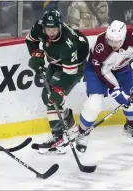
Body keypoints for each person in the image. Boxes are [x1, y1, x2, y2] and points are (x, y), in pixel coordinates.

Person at [75, 20, 133, 153]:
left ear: (124, 37)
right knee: (94, 103)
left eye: (117, 41)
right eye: (110, 40)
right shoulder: (101, 46)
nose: (113, 44)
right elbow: (102, 71)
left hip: (122, 68)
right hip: (97, 70)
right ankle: (82, 134)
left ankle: (130, 128)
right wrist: (115, 89)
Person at [25, 9, 89, 155]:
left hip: (74, 67)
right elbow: (31, 40)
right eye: (48, 29)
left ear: (60, 26)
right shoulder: (39, 26)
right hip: (56, 63)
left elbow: (69, 74)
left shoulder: (67, 43)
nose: (51, 32)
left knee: (52, 97)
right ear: (44, 26)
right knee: (46, 96)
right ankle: (71, 128)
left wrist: (60, 90)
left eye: (54, 29)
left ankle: (59, 137)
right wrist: (35, 53)